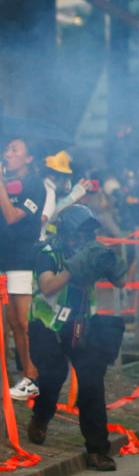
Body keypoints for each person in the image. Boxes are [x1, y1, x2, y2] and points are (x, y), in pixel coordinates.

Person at [26, 205, 128, 471]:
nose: (81, 240)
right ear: (65, 233)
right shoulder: (47, 253)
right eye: (76, 235)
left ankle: (98, 451)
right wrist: (73, 268)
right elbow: (47, 287)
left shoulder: (93, 251)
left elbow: (121, 283)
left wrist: (111, 263)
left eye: (86, 235)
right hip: (47, 325)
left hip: (83, 324)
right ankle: (41, 417)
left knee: (92, 385)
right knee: (53, 376)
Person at [0, 138, 49, 401]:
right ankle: (20, 374)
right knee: (8, 322)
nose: (8, 154)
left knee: (22, 320)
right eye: (7, 149)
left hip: (21, 257)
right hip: (2, 255)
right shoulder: (7, 181)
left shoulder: (33, 184)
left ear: (28, 158)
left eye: (14, 150)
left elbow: (11, 216)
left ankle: (31, 376)